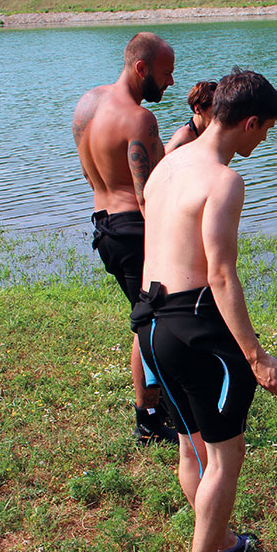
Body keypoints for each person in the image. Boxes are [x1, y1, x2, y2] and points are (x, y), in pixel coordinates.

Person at [131, 67, 277, 552]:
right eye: (266, 128)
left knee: (189, 447)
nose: (266, 137)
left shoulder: (168, 165)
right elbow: (221, 273)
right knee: (225, 455)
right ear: (248, 122)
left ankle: (221, 541)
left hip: (151, 322)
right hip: (197, 327)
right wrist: (254, 355)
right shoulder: (224, 181)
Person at [73, 31, 178, 445]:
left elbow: (90, 173)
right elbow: (147, 194)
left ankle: (158, 405)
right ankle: (148, 418)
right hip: (135, 230)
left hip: (104, 225)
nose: (169, 82)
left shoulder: (88, 104)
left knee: (147, 316)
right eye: (165, 73)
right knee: (150, 321)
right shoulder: (139, 119)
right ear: (141, 68)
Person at [166, 80, 217, 153]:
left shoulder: (209, 133)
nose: (220, 113)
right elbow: (161, 162)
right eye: (215, 107)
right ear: (198, 109)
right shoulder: (184, 137)